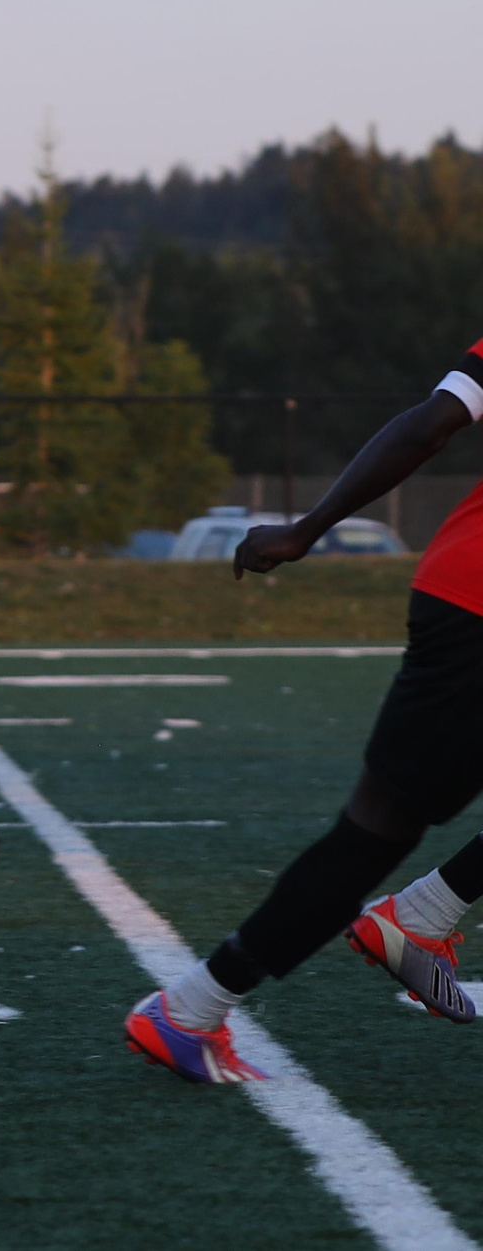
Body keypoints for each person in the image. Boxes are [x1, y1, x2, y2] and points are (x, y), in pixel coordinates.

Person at [125, 337, 483, 1084]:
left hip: (461, 591)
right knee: (374, 832)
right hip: (475, 611)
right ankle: (189, 1009)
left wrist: (306, 528)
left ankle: (425, 915)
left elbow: (434, 420)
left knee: (379, 828)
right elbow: (429, 426)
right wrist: (306, 528)